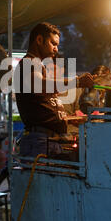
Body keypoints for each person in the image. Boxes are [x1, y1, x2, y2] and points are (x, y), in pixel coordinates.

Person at [14, 22, 94, 158]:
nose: (56, 49)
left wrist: (67, 120)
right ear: (39, 40)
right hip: (40, 142)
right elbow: (40, 85)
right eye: (53, 43)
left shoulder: (38, 66)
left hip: (49, 141)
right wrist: (78, 81)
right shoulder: (28, 63)